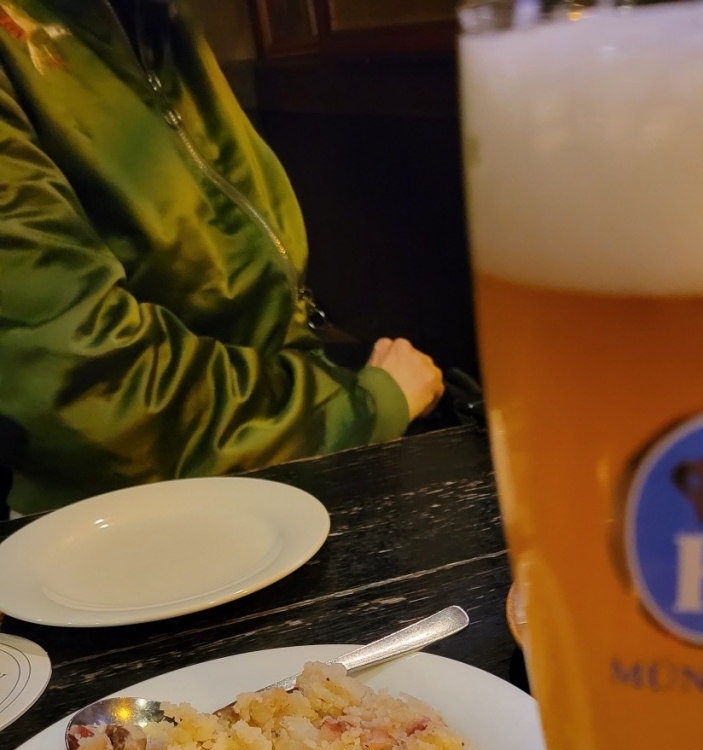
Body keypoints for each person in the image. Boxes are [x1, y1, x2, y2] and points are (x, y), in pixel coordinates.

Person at [0, 0, 443, 516]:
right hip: (127, 516)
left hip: (275, 436)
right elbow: (82, 386)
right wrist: (364, 406)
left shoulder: (154, 21)